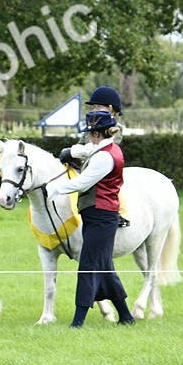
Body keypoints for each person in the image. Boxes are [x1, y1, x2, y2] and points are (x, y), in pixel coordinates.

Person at [48, 85, 135, 328]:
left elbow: (86, 179)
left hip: (102, 209)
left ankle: (78, 320)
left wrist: (57, 189)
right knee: (105, 266)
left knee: (88, 264)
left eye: (94, 132)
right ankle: (126, 316)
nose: (91, 135)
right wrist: (71, 151)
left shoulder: (108, 151)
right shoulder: (99, 144)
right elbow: (86, 148)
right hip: (93, 208)